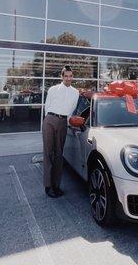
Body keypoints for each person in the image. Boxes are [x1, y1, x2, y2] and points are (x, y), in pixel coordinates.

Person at [43, 65, 79, 198]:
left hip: (63, 122)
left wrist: (69, 124)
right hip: (50, 120)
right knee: (48, 153)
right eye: (66, 76)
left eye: (71, 76)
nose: (69, 78)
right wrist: (48, 120)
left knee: (59, 154)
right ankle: (48, 186)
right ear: (62, 77)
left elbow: (71, 110)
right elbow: (47, 106)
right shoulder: (53, 89)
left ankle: (56, 186)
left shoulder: (75, 93)